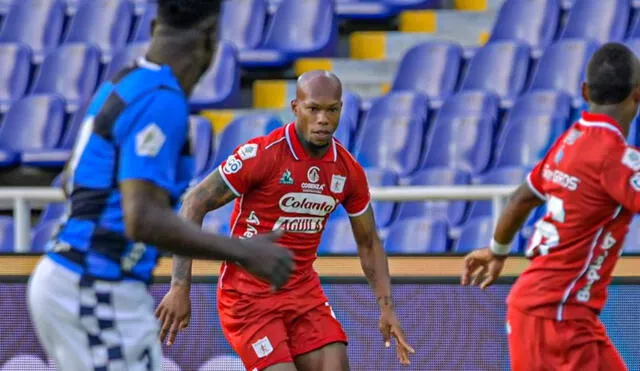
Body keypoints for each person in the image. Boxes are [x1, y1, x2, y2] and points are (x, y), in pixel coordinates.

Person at [27, 1, 293, 370]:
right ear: (210, 38)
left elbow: (71, 181)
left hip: (85, 280)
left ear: (154, 26)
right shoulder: (162, 101)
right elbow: (143, 219)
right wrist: (243, 251)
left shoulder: (125, 82)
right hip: (95, 285)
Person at [156, 70, 415, 371]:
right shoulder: (262, 155)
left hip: (303, 293)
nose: (323, 119)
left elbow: (369, 243)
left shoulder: (347, 171)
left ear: (341, 110)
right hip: (248, 297)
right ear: (295, 108)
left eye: (331, 110)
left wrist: (386, 308)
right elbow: (193, 202)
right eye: (313, 108)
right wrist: (179, 286)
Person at [460, 42, 639, 371]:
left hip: (550, 311)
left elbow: (522, 197)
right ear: (637, 95)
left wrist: (497, 251)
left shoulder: (569, 140)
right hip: (559, 316)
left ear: (585, 91)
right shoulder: (616, 158)